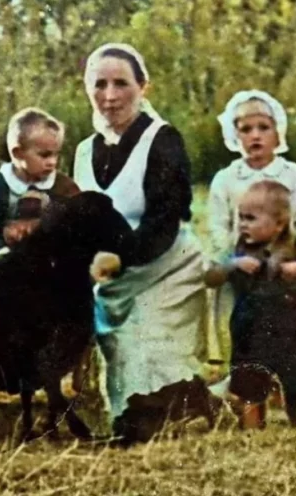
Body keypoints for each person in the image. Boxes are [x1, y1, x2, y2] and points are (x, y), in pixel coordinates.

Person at [72, 43, 211, 441]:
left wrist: (119, 257)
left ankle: (163, 414)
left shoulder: (163, 140)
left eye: (121, 83)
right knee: (117, 352)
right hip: (112, 275)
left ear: (143, 87)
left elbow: (166, 219)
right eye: (100, 84)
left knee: (145, 345)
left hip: (167, 264)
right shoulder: (84, 152)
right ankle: (152, 415)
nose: (110, 96)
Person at [207, 90, 296, 367]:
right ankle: (249, 389)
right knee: (246, 345)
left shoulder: (293, 175)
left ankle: (289, 387)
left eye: (264, 127)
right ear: (234, 135)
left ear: (278, 132)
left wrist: (293, 258)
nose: (255, 136)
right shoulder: (225, 179)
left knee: (293, 344)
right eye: (246, 129)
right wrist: (235, 259)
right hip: (244, 276)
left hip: (286, 273)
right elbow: (218, 227)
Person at [205, 180, 296, 429]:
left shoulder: (295, 247)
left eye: (251, 218)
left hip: (293, 321)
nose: (243, 224)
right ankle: (252, 431)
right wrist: (232, 265)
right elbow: (210, 278)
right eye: (241, 217)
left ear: (278, 224)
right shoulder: (238, 250)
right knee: (248, 379)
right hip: (251, 323)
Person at [0, 107, 80, 383]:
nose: (52, 162)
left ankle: (78, 364)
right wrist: (2, 255)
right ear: (17, 153)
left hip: (48, 256)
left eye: (56, 154)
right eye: (44, 155)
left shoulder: (62, 185)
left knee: (81, 292)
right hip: (6, 254)